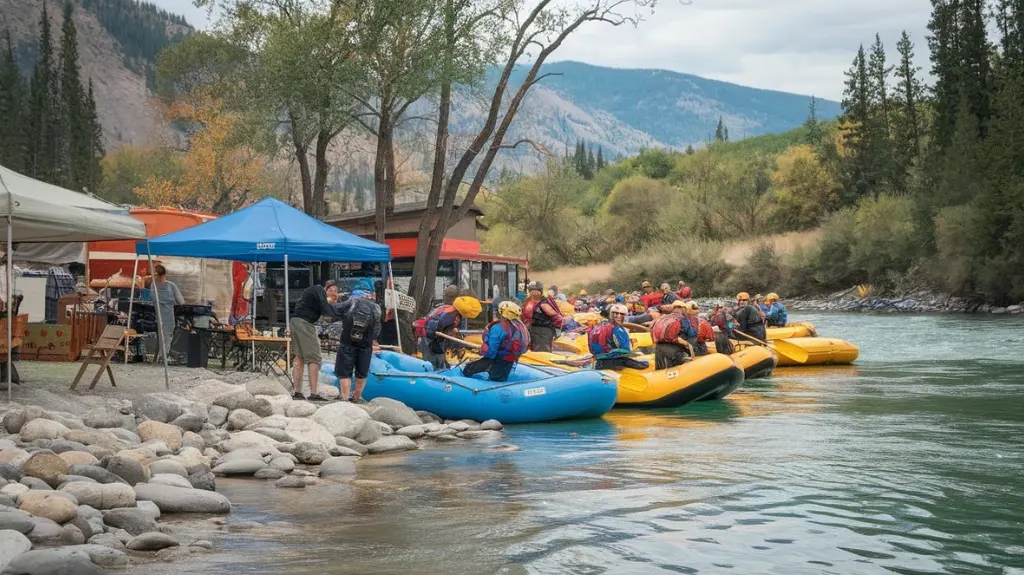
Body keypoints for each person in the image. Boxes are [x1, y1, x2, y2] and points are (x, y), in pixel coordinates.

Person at [290, 279, 340, 402]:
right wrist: (334, 304)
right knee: (314, 358)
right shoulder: (318, 291)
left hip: (295, 321)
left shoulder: (314, 293)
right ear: (325, 288)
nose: (333, 293)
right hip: (305, 323)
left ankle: (297, 392)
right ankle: (313, 393)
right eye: (331, 290)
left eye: (335, 292)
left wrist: (331, 303)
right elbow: (328, 313)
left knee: (299, 358)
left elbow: (327, 317)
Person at [332, 290, 382, 403]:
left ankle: (344, 398)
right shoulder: (376, 307)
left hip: (347, 342)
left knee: (344, 372)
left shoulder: (350, 302)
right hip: (365, 345)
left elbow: (333, 310)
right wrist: (372, 340)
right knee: (362, 372)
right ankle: (356, 397)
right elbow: (377, 328)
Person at [463, 301, 530, 382]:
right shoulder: (519, 326)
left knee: (467, 370)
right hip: (510, 360)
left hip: (498, 359)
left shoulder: (497, 328)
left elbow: (491, 353)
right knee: (500, 378)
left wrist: (482, 352)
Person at [415, 296, 482, 370]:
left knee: (437, 359)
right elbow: (436, 327)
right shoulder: (450, 316)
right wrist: (448, 333)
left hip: (429, 335)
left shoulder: (448, 308)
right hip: (430, 337)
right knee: (433, 362)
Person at [588, 304, 649, 370]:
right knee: (644, 364)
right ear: (611, 314)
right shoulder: (618, 330)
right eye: (616, 314)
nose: (619, 316)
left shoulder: (598, 326)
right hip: (614, 362)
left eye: (621, 314)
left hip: (599, 362)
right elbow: (626, 350)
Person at [150, 264, 185, 361]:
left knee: (162, 338)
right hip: (168, 317)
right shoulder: (171, 286)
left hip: (156, 316)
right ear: (165, 274)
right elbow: (181, 302)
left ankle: (161, 356)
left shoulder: (153, 286)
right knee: (167, 338)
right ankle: (163, 357)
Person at [650, 300, 697, 369]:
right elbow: (691, 334)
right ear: (683, 309)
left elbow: (651, 329)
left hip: (658, 348)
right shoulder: (683, 319)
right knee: (676, 370)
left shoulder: (663, 317)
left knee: (660, 370)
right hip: (674, 348)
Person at [522, 280, 563, 352]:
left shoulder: (544, 304)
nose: (533, 292)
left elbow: (558, 318)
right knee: (533, 352)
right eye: (532, 290)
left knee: (542, 352)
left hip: (543, 331)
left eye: (535, 290)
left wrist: (557, 330)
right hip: (531, 330)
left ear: (540, 291)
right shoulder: (527, 302)